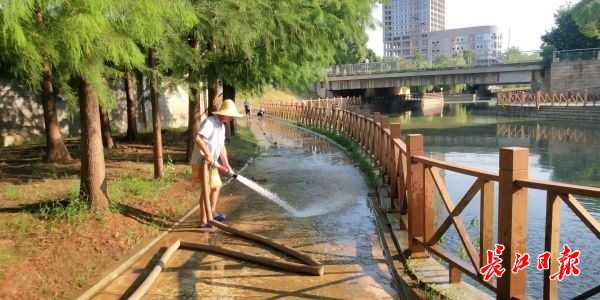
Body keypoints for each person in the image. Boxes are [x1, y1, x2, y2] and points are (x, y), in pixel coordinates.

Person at [190, 99, 244, 228]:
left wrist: (227, 165)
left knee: (216, 187)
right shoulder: (210, 122)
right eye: (231, 115)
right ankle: (203, 221)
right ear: (224, 113)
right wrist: (207, 154)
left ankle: (212, 213)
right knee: (206, 191)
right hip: (201, 162)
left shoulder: (222, 126)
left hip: (211, 163)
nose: (232, 118)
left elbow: (221, 147)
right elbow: (197, 138)